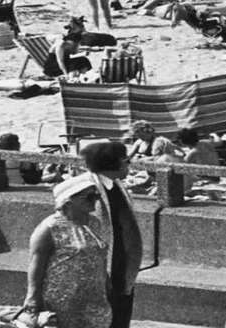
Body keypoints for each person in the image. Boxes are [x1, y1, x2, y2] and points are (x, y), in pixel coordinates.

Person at [22, 173, 112, 328]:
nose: (95, 201)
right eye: (89, 197)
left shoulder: (94, 223)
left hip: (95, 296)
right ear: (69, 201)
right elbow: (36, 264)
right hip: (62, 298)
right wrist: (32, 296)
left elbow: (100, 255)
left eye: (96, 196)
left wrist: (106, 281)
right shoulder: (49, 228)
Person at [81, 139, 144, 328]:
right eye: (126, 160)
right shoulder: (87, 190)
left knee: (121, 311)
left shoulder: (117, 185)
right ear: (112, 163)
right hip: (103, 266)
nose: (129, 164)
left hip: (122, 263)